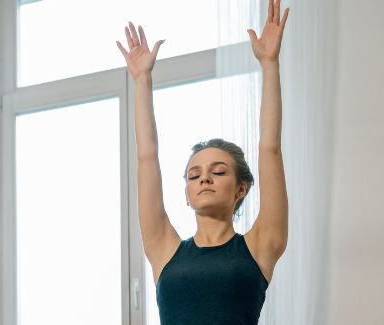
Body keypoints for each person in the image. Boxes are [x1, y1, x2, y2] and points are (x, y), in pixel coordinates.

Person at [116, 0, 290, 323]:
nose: (204, 179)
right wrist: (142, 81)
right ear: (186, 192)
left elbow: (270, 149)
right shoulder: (164, 249)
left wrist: (269, 64)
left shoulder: (261, 244)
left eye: (218, 171)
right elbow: (146, 157)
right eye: (194, 175)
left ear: (241, 188)